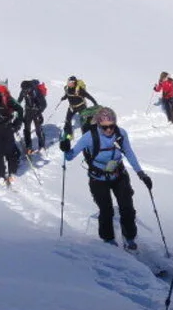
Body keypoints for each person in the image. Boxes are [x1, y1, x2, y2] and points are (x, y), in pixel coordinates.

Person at [60, 107, 153, 251]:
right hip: (98, 179)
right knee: (106, 210)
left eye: (111, 126)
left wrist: (141, 173)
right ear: (98, 125)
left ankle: (129, 237)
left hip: (119, 175)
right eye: (105, 127)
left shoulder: (121, 133)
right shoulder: (89, 137)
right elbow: (70, 157)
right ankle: (108, 239)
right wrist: (65, 147)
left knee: (127, 207)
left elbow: (129, 152)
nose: (109, 130)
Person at [18, 79, 48, 153]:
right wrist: (15, 108)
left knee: (38, 129)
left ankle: (41, 144)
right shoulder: (23, 90)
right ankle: (29, 146)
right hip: (28, 111)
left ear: (29, 88)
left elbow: (44, 104)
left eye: (26, 90)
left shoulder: (36, 91)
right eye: (23, 90)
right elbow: (19, 100)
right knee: (26, 129)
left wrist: (39, 113)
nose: (24, 91)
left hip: (36, 111)